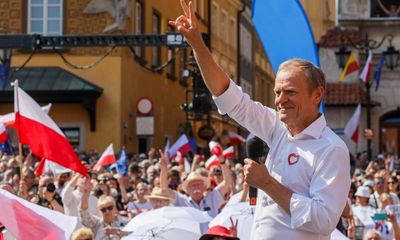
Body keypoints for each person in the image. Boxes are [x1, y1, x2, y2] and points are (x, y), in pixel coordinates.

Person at [170, 1, 351, 239]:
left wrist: (267, 184)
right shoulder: (277, 127)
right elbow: (230, 98)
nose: (280, 100)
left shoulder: (331, 149)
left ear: (317, 94)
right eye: (277, 92)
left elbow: (323, 220)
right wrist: (197, 45)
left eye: (290, 92)